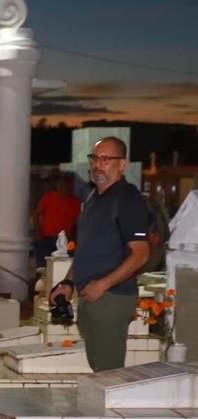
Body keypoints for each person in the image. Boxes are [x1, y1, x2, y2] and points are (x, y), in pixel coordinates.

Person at [50, 137, 151, 372]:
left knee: (109, 373)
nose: (98, 164)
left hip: (112, 298)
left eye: (106, 159)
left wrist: (103, 284)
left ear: (122, 164)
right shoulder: (93, 198)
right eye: (94, 158)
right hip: (90, 297)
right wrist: (68, 282)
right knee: (98, 367)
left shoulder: (127, 199)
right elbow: (86, 250)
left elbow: (141, 254)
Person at [34, 172, 82, 260]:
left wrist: (74, 240)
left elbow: (77, 223)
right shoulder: (48, 197)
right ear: (57, 185)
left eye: (65, 184)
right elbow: (37, 214)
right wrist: (37, 232)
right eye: (61, 183)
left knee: (62, 264)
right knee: (43, 265)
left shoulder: (75, 203)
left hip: (65, 240)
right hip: (46, 238)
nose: (63, 186)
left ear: (70, 185)